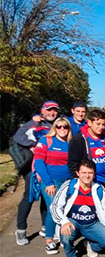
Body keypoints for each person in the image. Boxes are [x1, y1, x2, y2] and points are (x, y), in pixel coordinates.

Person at [51, 160, 105, 257]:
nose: (87, 176)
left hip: (92, 224)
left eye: (90, 173)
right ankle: (71, 255)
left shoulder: (99, 189)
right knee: (66, 235)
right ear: (78, 173)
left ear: (94, 174)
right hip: (73, 222)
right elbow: (55, 206)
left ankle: (89, 244)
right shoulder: (69, 186)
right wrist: (63, 221)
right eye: (84, 173)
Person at [12, 101, 58, 245]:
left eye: (54, 110)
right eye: (49, 110)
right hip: (33, 167)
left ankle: (45, 226)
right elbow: (18, 138)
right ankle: (21, 230)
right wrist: (36, 142)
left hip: (48, 167)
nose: (52, 113)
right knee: (30, 197)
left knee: (46, 196)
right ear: (42, 111)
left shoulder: (56, 125)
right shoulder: (34, 123)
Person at [33, 117, 73, 254]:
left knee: (66, 209)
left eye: (65, 127)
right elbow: (39, 163)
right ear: (54, 128)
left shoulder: (71, 143)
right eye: (59, 126)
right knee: (53, 209)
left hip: (67, 181)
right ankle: (49, 240)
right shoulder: (46, 141)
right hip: (50, 181)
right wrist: (48, 183)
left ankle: (63, 235)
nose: (62, 129)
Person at [68, 109, 105, 188]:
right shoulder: (78, 139)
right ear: (90, 122)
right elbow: (73, 163)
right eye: (98, 124)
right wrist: (81, 181)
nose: (101, 127)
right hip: (90, 181)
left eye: (103, 124)